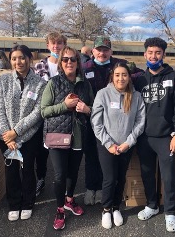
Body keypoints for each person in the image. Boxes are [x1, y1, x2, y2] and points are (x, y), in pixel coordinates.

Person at [134, 37, 175, 233]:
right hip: (144, 136)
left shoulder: (173, 78)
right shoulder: (140, 80)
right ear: (145, 54)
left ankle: (170, 212)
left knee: (168, 176)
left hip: (166, 136)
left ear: (163, 55)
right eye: (150, 52)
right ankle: (152, 205)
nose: (153, 56)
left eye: (158, 53)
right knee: (147, 173)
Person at [41, 46, 94, 231]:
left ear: (78, 62)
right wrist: (64, 105)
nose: (69, 62)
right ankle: (59, 209)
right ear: (61, 63)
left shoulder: (85, 84)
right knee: (59, 174)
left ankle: (70, 200)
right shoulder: (53, 83)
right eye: (65, 60)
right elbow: (44, 111)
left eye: (72, 59)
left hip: (78, 134)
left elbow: (93, 108)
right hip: (58, 134)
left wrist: (87, 109)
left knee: (73, 172)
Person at [0, 44, 46, 222]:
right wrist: (8, 135)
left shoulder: (40, 84)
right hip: (6, 137)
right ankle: (14, 203)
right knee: (11, 171)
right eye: (14, 58)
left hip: (29, 136)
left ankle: (28, 203)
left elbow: (38, 112)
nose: (18, 62)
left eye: (22, 58)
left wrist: (17, 131)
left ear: (30, 59)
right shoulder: (3, 81)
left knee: (28, 170)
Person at [91, 62, 145, 229]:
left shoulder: (135, 96)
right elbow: (96, 122)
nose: (121, 78)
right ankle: (106, 209)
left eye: (124, 75)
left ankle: (116, 207)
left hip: (126, 146)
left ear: (129, 77)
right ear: (112, 77)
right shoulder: (103, 94)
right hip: (107, 145)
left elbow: (140, 121)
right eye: (117, 75)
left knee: (121, 177)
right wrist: (108, 144)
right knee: (109, 178)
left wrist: (129, 142)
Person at [81, 36, 128, 206]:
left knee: (107, 155)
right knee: (91, 154)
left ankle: (103, 188)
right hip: (89, 119)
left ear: (111, 51)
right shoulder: (85, 68)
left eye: (105, 49)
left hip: (113, 119)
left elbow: (136, 74)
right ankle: (90, 187)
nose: (102, 53)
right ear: (92, 51)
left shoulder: (118, 65)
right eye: (99, 49)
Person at [33, 32, 67, 197]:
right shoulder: (40, 66)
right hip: (44, 115)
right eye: (53, 43)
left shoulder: (67, 64)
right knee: (42, 152)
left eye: (59, 43)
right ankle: (41, 179)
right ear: (48, 45)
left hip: (63, 116)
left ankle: (63, 184)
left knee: (62, 153)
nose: (56, 46)